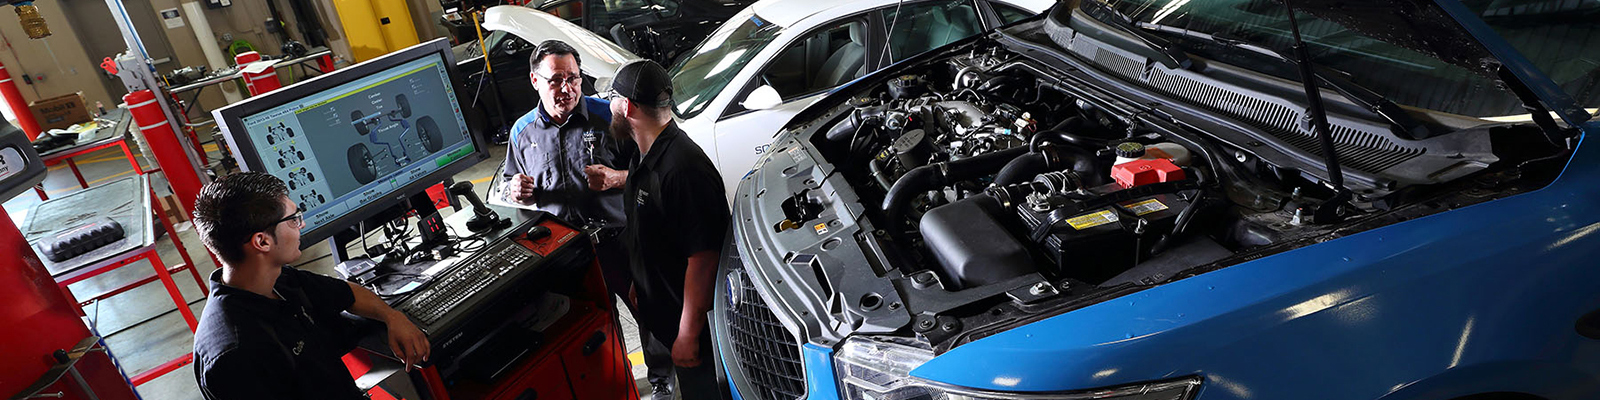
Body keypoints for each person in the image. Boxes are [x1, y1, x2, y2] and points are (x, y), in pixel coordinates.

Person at [499, 39, 676, 398]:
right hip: (566, 253)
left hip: (620, 241)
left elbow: (657, 168)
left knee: (651, 315)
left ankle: (662, 384)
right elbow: (506, 182)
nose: (566, 88)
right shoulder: (522, 132)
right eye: (555, 80)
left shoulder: (610, 116)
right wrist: (513, 189)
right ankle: (617, 386)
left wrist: (615, 178)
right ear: (535, 80)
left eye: (574, 78)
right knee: (590, 327)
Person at [190, 172, 429, 400]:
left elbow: (347, 293)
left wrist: (392, 317)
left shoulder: (277, 280)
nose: (301, 226)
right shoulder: (236, 355)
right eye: (293, 220)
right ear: (262, 241)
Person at [611, 59, 730, 399]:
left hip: (698, 333)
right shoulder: (645, 156)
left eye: (612, 98)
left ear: (626, 106)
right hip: (667, 317)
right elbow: (654, 233)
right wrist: (640, 281)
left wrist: (688, 334)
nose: (609, 107)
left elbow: (704, 257)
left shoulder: (681, 169)